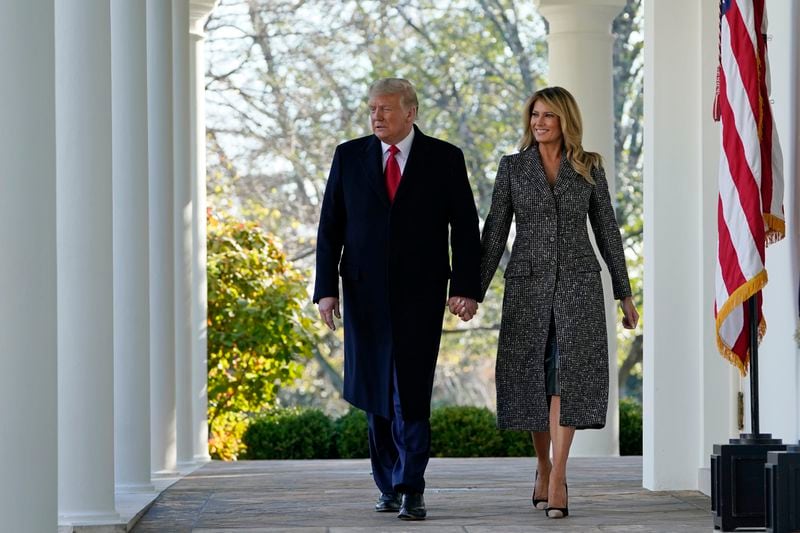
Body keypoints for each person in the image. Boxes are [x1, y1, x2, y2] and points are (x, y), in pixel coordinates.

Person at [313, 78, 481, 521]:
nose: (376, 116)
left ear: (411, 112)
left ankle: (412, 487)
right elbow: (330, 225)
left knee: (410, 390)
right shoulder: (349, 156)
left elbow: (465, 228)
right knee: (374, 391)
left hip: (421, 294)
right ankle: (387, 485)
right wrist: (325, 289)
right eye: (372, 109)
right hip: (363, 294)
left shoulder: (445, 158)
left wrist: (464, 288)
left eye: (385, 109)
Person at [476, 86, 639, 519]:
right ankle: (543, 466)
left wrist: (625, 294)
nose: (539, 123)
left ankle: (561, 474)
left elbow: (608, 231)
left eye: (548, 115)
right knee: (532, 377)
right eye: (534, 115)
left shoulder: (588, 168)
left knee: (567, 376)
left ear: (565, 119)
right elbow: (494, 233)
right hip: (527, 287)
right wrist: (472, 291)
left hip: (578, 286)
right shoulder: (512, 168)